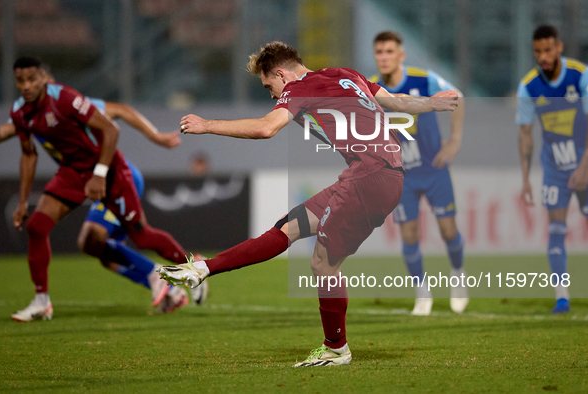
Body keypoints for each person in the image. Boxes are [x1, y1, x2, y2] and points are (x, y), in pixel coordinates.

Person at [157, 41, 458, 366]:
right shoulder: (348, 75)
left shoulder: (300, 87)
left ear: (281, 74)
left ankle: (336, 349)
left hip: (370, 176)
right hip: (374, 174)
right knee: (287, 228)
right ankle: (203, 269)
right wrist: (430, 104)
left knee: (323, 265)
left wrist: (207, 125)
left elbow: (265, 128)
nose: (272, 95)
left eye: (269, 86)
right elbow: (397, 102)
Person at [8, 56, 194, 322]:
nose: (26, 86)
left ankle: (194, 269)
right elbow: (28, 155)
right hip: (72, 173)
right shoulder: (19, 112)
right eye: (20, 81)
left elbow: (112, 125)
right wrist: (23, 201)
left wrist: (102, 172)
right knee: (38, 225)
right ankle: (41, 301)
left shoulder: (65, 98)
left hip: (109, 171)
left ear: (43, 77)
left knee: (141, 236)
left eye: (31, 79)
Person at [369, 31, 467, 315]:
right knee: (409, 235)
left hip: (434, 169)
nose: (384, 57)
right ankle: (422, 294)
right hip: (401, 176)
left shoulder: (424, 80)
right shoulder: (371, 87)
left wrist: (455, 140)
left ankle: (458, 277)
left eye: (389, 52)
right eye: (379, 52)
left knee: (449, 231)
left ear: (401, 55)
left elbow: (456, 96)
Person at [516, 25, 588, 314]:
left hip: (585, 164)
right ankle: (562, 297)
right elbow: (525, 134)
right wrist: (525, 178)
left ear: (559, 48)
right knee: (556, 229)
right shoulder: (529, 86)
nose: (543, 57)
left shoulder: (580, 76)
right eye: (537, 52)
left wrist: (584, 167)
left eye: (547, 50)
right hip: (555, 170)